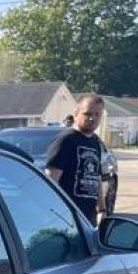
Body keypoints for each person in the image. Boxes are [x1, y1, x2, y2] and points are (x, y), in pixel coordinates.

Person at [46, 94, 107, 225]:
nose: (92, 118)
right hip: (67, 218)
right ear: (76, 114)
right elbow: (51, 181)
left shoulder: (95, 141)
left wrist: (101, 208)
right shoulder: (66, 140)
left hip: (88, 217)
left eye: (97, 114)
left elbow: (96, 177)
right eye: (87, 114)